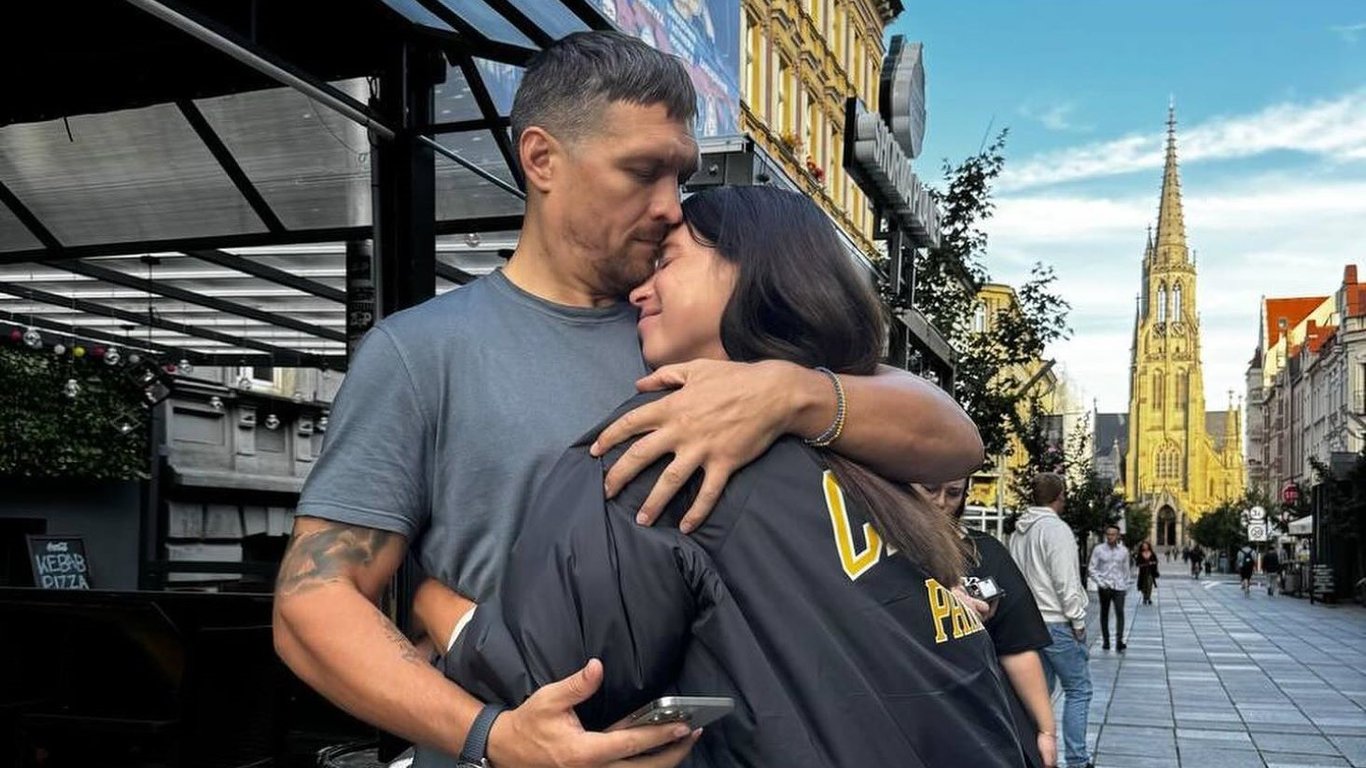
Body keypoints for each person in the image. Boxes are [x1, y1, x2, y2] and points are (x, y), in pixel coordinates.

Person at [271, 31, 984, 768]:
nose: (672, 207)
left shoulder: (701, 325)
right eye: (643, 172)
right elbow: (313, 602)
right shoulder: (423, 353)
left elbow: (955, 442)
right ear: (542, 160)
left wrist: (792, 393)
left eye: (681, 175)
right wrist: (491, 734)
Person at [423, 186, 1029, 766]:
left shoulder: (670, 447)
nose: (640, 289)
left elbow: (543, 683)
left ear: (751, 271)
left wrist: (425, 598)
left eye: (666, 261)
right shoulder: (872, 456)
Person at [917, 478, 1057, 768]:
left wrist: (1046, 731)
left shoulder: (986, 552)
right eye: (930, 488)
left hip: (977, 720)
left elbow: (1017, 647)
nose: (941, 502)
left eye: (953, 493)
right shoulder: (876, 553)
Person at [1009, 473, 1093, 768]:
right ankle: (1078, 760)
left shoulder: (1019, 532)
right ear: (1059, 497)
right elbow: (1065, 581)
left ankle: (1033, 756)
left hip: (1028, 622)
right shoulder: (1056, 530)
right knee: (1079, 690)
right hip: (1057, 622)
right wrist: (1078, 622)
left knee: (1038, 696)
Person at [1088, 525, 1130, 651]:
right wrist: (1101, 583)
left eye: (1113, 534)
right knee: (1104, 613)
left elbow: (1126, 570)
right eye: (1108, 534)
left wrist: (1125, 585)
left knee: (1120, 612)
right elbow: (1092, 568)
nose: (1110, 536)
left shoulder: (1124, 551)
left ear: (1118, 536)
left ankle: (1119, 641)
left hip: (1119, 586)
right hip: (1105, 586)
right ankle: (1106, 641)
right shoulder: (1099, 549)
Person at [1135, 540, 1160, 605]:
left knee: (1149, 584)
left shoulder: (1152, 554)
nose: (1145, 547)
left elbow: (1156, 561)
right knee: (1143, 586)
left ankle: (1148, 598)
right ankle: (1144, 597)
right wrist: (1142, 565)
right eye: (1144, 546)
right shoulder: (1140, 554)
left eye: (1146, 546)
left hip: (1150, 572)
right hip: (1143, 572)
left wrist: (1152, 563)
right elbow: (1137, 563)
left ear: (1148, 546)